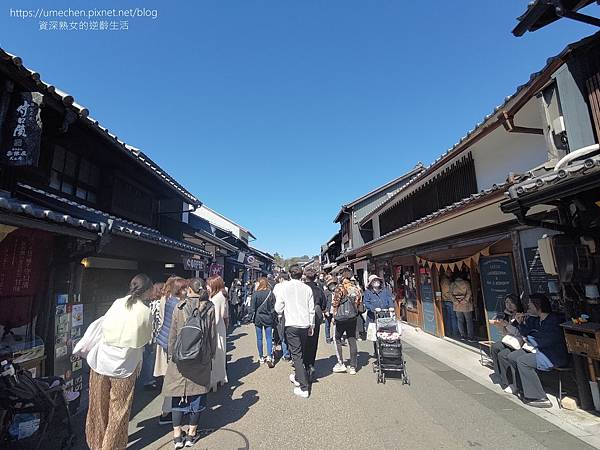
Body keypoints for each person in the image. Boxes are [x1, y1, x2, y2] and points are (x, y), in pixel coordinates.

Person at [85, 274, 153, 450]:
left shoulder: (117, 303)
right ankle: (111, 447)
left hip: (101, 361)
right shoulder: (145, 312)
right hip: (125, 366)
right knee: (119, 411)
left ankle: (95, 444)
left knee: (97, 408)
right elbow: (144, 340)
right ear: (146, 291)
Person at [162, 279, 217, 448]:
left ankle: (177, 436)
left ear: (188, 289)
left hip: (180, 359)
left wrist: (171, 355)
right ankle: (191, 434)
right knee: (197, 395)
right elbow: (212, 336)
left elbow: (172, 335)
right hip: (200, 358)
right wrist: (211, 355)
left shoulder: (179, 307)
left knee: (178, 396)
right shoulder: (209, 308)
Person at [498, 294, 569, 408]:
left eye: (530, 304)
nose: (528, 306)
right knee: (512, 357)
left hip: (552, 354)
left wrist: (529, 338)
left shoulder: (552, 321)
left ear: (538, 306)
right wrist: (520, 322)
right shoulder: (536, 320)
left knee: (523, 361)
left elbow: (543, 340)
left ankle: (539, 397)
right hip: (538, 350)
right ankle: (522, 388)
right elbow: (526, 332)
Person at [274, 264, 315, 398]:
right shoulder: (307, 288)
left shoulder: (284, 288)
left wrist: (282, 311)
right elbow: (311, 309)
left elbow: (278, 307)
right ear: (301, 274)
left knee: (296, 354)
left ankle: (303, 387)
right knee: (300, 352)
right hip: (304, 324)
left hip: (291, 324)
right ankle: (298, 376)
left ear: (290, 274)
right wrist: (312, 325)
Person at [156, 277, 188, 425]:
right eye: (185, 288)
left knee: (170, 379)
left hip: (165, 342)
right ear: (180, 290)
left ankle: (170, 409)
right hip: (171, 345)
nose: (187, 290)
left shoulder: (170, 300)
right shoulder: (178, 305)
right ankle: (167, 412)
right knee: (172, 380)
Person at [332, 268, 363, 375]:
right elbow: (359, 302)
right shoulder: (356, 288)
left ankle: (341, 363)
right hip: (353, 316)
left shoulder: (340, 288)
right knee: (352, 339)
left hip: (341, 317)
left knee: (337, 338)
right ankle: (353, 366)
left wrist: (334, 315)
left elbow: (335, 302)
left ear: (342, 276)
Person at [205, 275, 228, 391]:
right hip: (220, 328)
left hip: (215, 329)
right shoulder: (222, 295)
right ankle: (220, 378)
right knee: (220, 354)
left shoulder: (215, 298)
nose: (206, 287)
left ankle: (214, 381)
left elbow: (216, 317)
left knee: (215, 355)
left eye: (208, 284)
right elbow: (225, 315)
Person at [303, 268, 327, 381]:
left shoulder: (301, 289)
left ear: (305, 277)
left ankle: (302, 365)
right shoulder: (319, 290)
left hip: (302, 317)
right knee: (313, 342)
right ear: (315, 277)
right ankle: (311, 365)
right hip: (316, 318)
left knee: (302, 342)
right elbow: (323, 305)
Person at [364, 274, 394, 357]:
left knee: (386, 334)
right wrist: (373, 308)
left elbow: (389, 299)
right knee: (375, 336)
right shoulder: (368, 292)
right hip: (373, 317)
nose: (376, 282)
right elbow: (366, 303)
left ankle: (386, 351)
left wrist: (391, 306)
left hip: (385, 316)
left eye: (377, 280)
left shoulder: (385, 290)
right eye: (374, 281)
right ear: (371, 283)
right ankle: (377, 353)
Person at [142, 282, 164, 391]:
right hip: (157, 334)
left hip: (149, 334)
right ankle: (154, 379)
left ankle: (148, 380)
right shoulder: (160, 303)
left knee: (148, 358)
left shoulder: (150, 303)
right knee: (154, 358)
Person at [251, 277, 276, 368]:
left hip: (258, 318)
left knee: (259, 338)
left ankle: (261, 357)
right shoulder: (270, 293)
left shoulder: (255, 294)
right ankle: (269, 356)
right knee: (269, 338)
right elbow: (274, 307)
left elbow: (252, 309)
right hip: (268, 317)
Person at [450, 275, 474, 341]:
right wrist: (465, 300)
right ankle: (470, 336)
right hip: (466, 304)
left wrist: (456, 301)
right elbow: (469, 292)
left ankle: (462, 335)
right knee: (468, 320)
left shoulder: (452, 284)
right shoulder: (466, 283)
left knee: (460, 320)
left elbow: (450, 294)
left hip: (457, 305)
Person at [323, 275, 337, 344]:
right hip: (328, 310)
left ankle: (336, 337)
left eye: (333, 284)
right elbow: (324, 302)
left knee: (336, 324)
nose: (332, 286)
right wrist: (325, 311)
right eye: (330, 285)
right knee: (327, 325)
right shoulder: (326, 292)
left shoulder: (337, 291)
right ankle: (328, 338)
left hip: (335, 310)